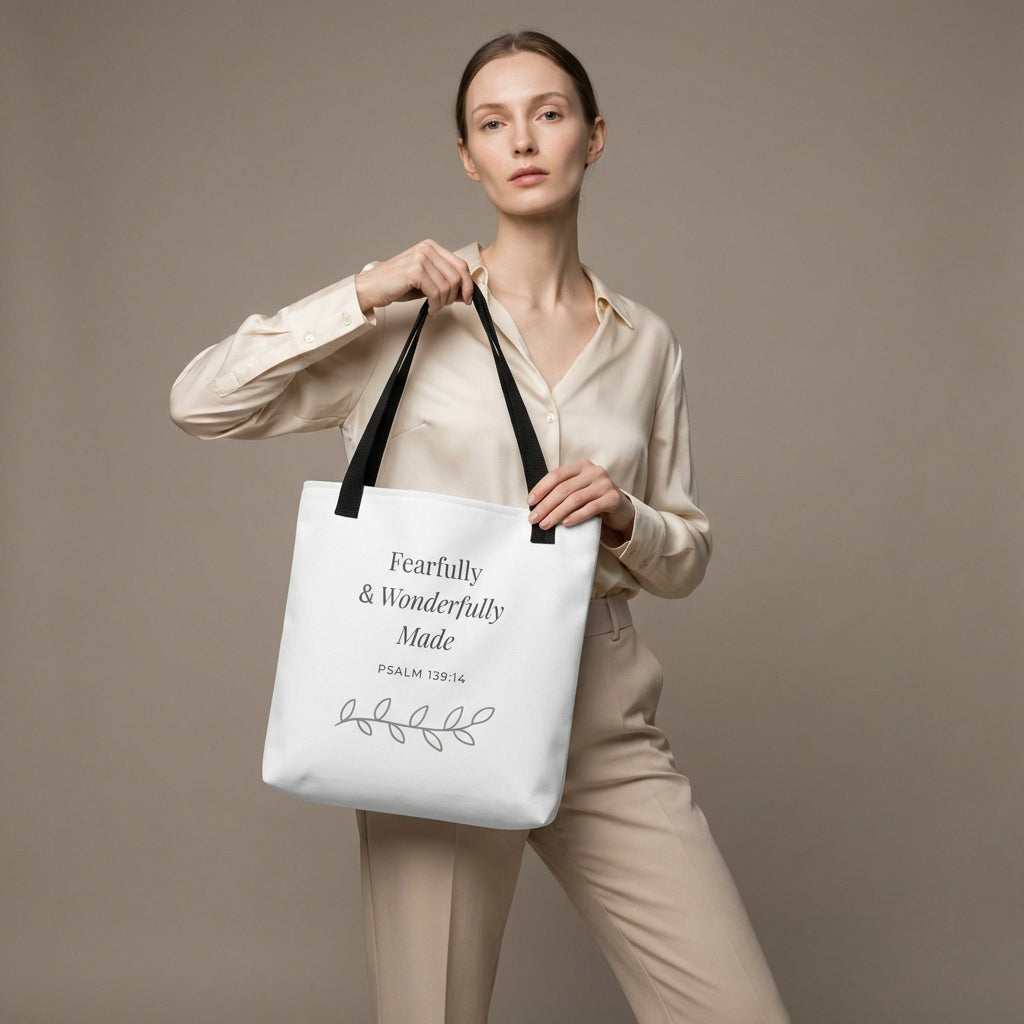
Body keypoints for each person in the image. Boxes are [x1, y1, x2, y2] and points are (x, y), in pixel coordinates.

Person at [170, 30, 789, 1024]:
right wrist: (365, 288)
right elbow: (199, 401)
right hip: (432, 707)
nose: (522, 139)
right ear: (467, 157)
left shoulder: (647, 342)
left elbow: (687, 552)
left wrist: (624, 515)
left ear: (594, 135)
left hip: (600, 715)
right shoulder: (409, 313)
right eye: (491, 123)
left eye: (547, 113)